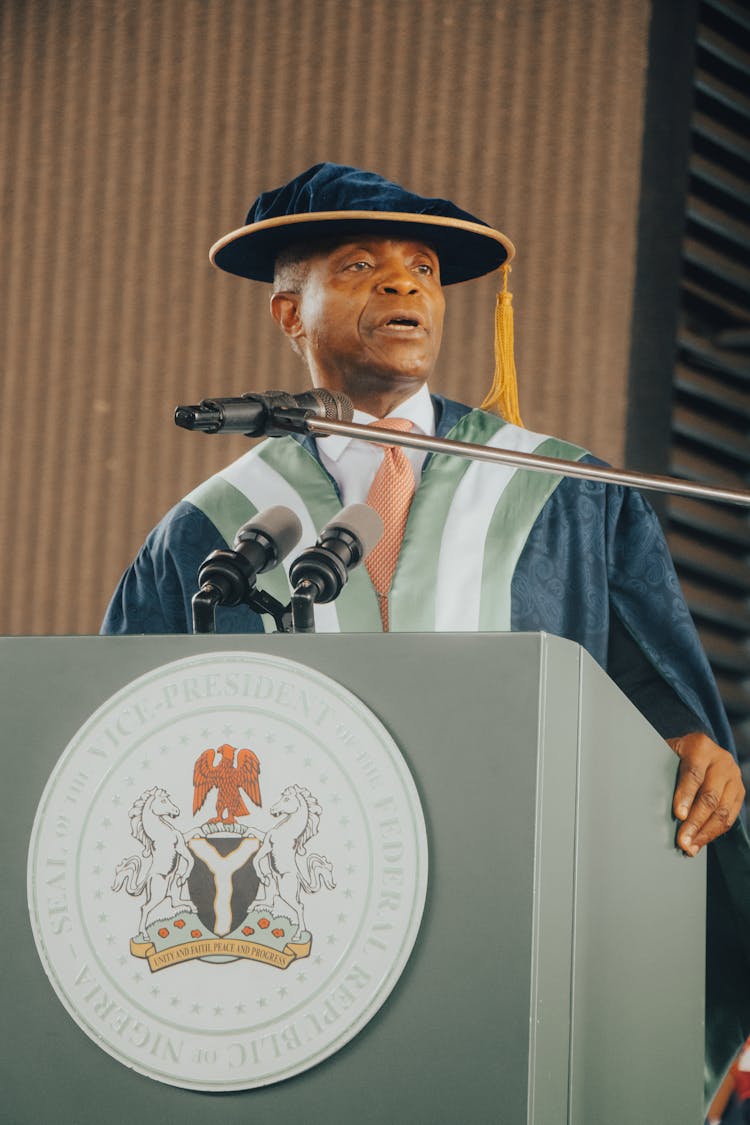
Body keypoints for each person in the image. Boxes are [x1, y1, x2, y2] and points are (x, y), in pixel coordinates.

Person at [101, 162, 750, 1093]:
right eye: (361, 263)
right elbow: (132, 762)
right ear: (290, 314)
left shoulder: (561, 491)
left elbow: (655, 700)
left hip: (516, 923)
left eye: (423, 268)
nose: (406, 284)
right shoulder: (212, 530)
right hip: (297, 960)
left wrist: (692, 754)